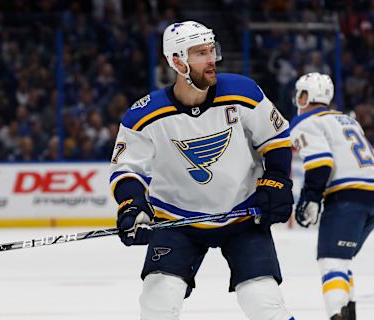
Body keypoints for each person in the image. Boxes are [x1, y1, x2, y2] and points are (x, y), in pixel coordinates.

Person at [109, 21, 295, 320]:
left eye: (212, 50)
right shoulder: (143, 115)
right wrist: (133, 206)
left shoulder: (243, 92)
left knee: (263, 301)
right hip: (176, 220)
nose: (212, 60)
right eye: (200, 53)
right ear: (177, 61)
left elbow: (275, 139)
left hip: (242, 214)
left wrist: (277, 180)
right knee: (158, 301)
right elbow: (127, 170)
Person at [290, 72, 374, 320]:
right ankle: (348, 313)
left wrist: (311, 196)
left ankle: (337, 315)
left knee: (331, 261)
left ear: (305, 97)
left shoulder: (306, 122)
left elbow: (321, 163)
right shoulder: (349, 121)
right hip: (370, 195)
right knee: (342, 261)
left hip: (347, 196)